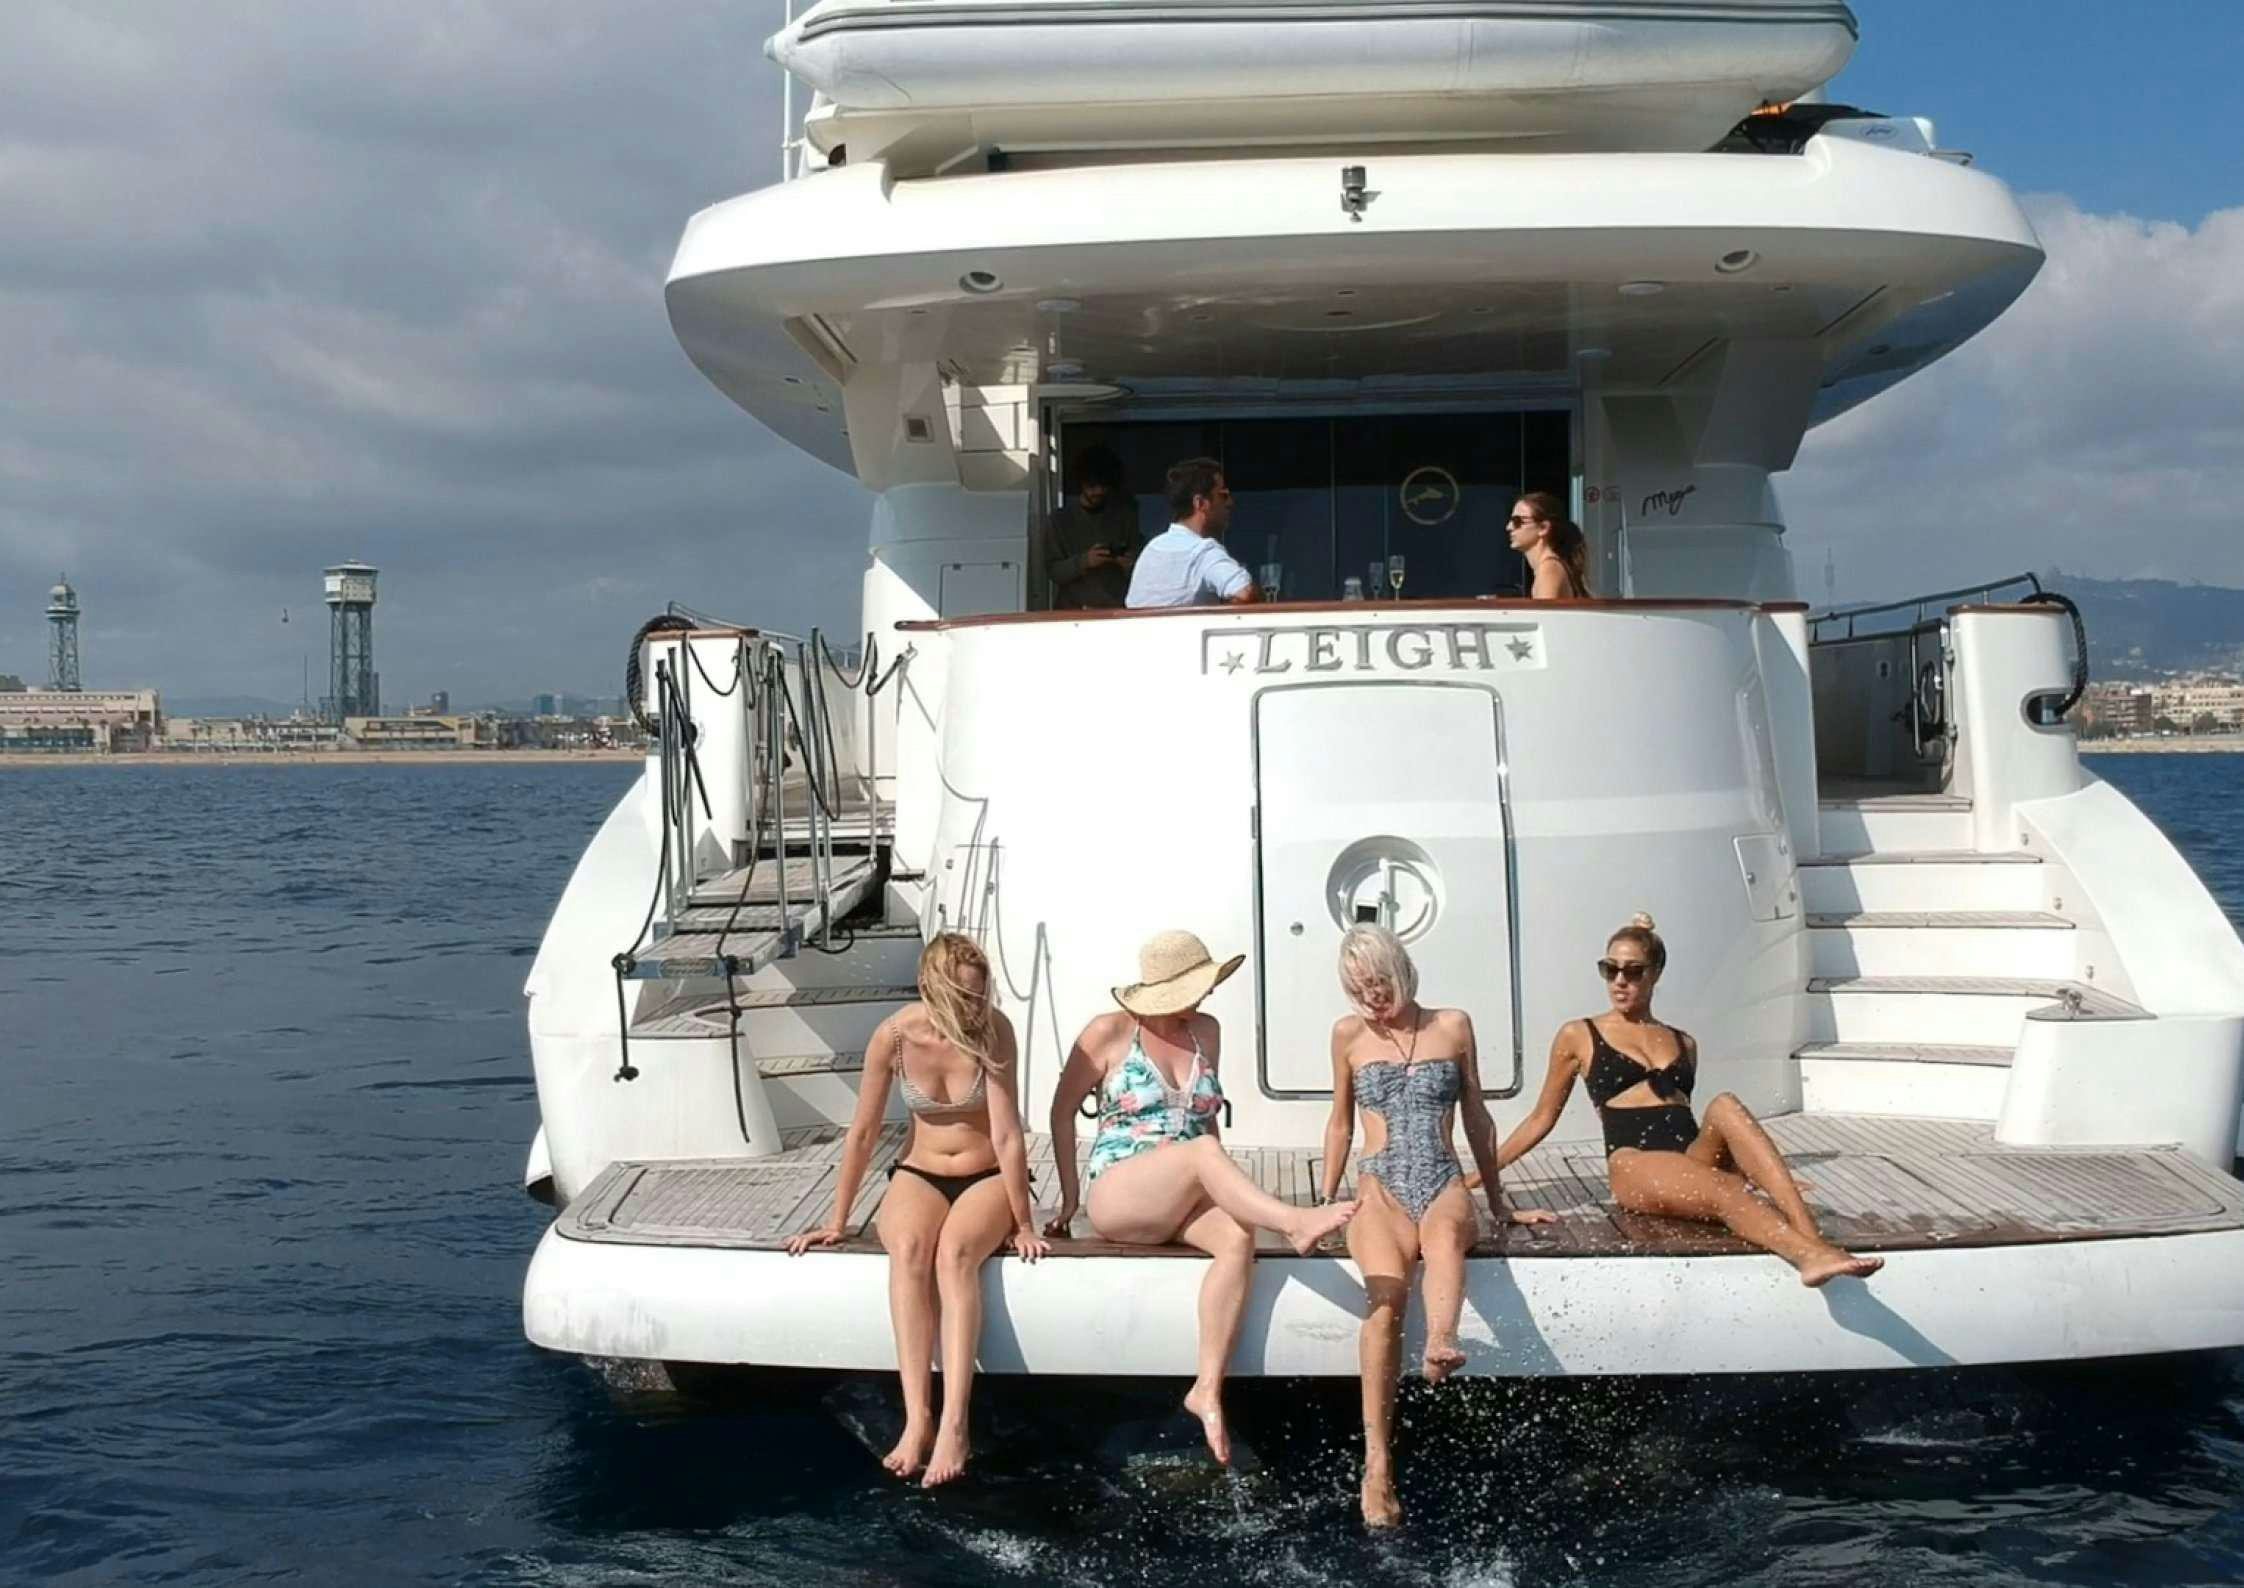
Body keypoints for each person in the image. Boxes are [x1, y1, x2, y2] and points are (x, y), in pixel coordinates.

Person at [1046, 930, 1357, 1464]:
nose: (1208, 994)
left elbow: (1207, 1120)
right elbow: (1060, 1112)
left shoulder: (1205, 1030)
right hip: (1120, 1189)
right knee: (1202, 1154)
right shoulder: (1109, 1031)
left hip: (1185, 1190)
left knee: (1236, 1235)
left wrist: (1229, 1196)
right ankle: (1293, 1221)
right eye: (1199, 986)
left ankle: (1207, 1389)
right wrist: (1070, 1199)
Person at [785, 933, 1047, 1487]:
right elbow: (863, 1133)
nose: (974, 1007)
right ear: (931, 990)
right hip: (920, 1170)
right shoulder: (894, 1037)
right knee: (907, 1250)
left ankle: (955, 1423)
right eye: (963, 997)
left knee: (955, 1255)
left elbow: (1006, 1132)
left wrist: (1024, 1222)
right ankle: (917, 1418)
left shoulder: (993, 1030)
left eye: (979, 995)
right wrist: (838, 1220)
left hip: (986, 1174)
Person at [1497, 913, 1883, 1288]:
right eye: (1609, 969)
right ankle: (1807, 1255)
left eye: (1633, 971)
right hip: (1634, 1163)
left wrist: (1763, 1174)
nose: (1619, 981)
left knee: (1726, 1105)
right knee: (1725, 1190)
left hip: (1689, 1158)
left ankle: (1811, 1236)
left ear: (1655, 973)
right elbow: (1541, 1119)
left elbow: (1685, 1123)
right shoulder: (1579, 1034)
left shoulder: (1683, 1042)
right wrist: (1479, 1176)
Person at [1320, 925, 1556, 1529]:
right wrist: (1323, 1201)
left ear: (1400, 971)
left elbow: (1476, 1116)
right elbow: (1340, 1123)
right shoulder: (1348, 1035)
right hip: (1378, 1185)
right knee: (1385, 1300)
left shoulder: (1452, 1025)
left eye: (1378, 982)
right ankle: (1377, 1464)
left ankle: (1441, 1344)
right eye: (1359, 988)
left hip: (1443, 1178)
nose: (1372, 997)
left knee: (1446, 1237)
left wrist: (1498, 1200)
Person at [1124, 457, 1263, 609]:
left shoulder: (1151, 550)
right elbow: (1245, 593)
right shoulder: (1202, 551)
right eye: (1223, 495)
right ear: (1200, 503)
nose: (1230, 502)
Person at [1044, 445, 1139, 610]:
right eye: (1092, 486)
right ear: (1081, 483)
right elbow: (1053, 572)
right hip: (1073, 610)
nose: (1099, 491)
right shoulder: (1059, 520)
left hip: (1117, 607)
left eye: (1104, 486)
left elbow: (1139, 562)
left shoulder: (1125, 516)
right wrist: (1085, 561)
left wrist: (1128, 564)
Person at [1508, 491, 1591, 598]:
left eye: (1517, 521)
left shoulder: (1549, 570)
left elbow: (1545, 609)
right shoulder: (1548, 568)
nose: (1509, 527)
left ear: (1544, 528)